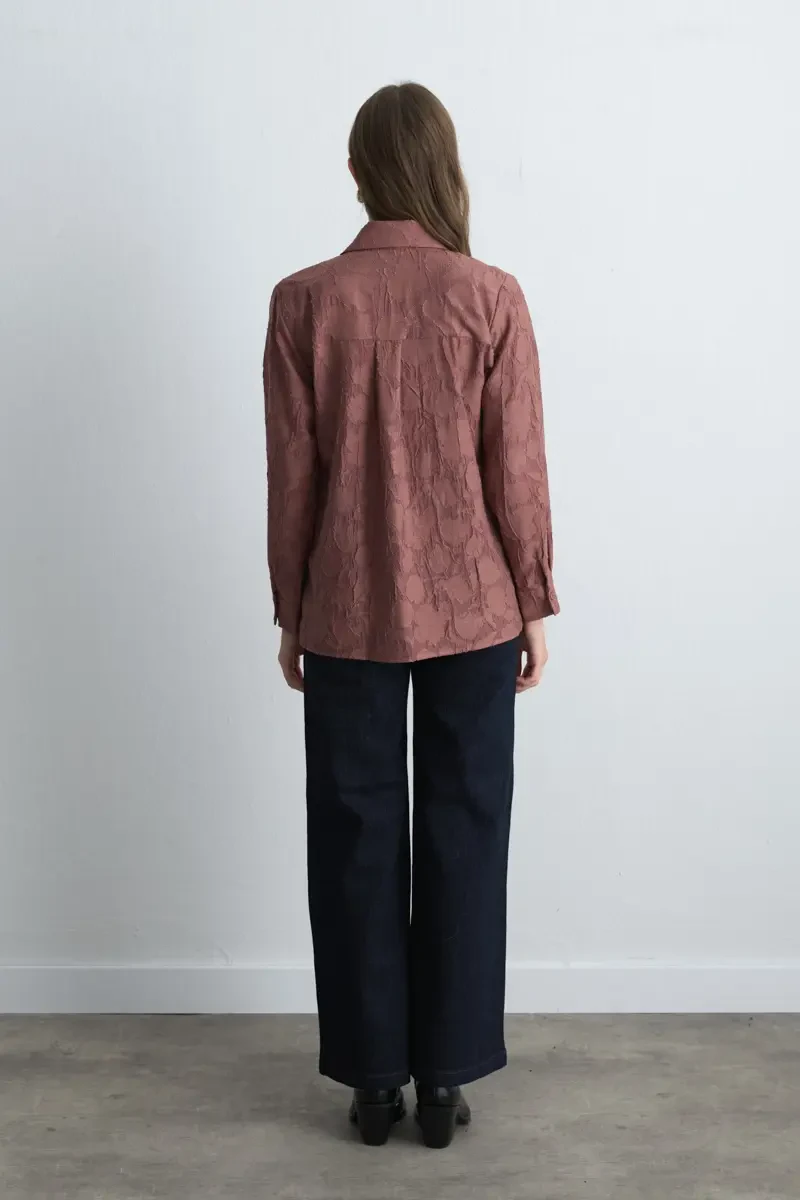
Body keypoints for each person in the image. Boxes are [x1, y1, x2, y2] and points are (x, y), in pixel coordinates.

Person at [263, 81, 559, 1149]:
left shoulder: (304, 301)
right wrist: (532, 600)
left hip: (345, 608)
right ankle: (443, 1080)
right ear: (442, 167)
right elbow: (515, 467)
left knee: (353, 837)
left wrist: (290, 607)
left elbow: (292, 475)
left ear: (356, 172)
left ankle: (373, 1081)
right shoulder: (491, 296)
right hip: (474, 606)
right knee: (465, 830)